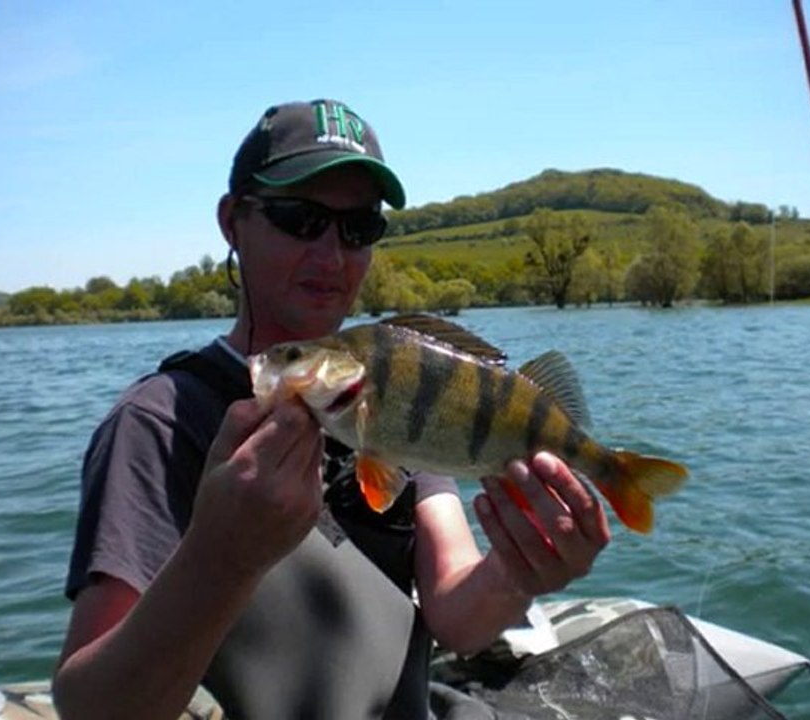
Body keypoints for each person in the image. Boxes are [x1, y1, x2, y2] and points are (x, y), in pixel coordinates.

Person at [52, 98, 610, 720]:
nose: (332, 255)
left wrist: (520, 566)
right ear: (233, 221)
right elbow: (90, 708)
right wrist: (222, 558)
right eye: (299, 218)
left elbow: (457, 616)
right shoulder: (160, 424)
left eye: (359, 228)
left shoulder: (397, 390)